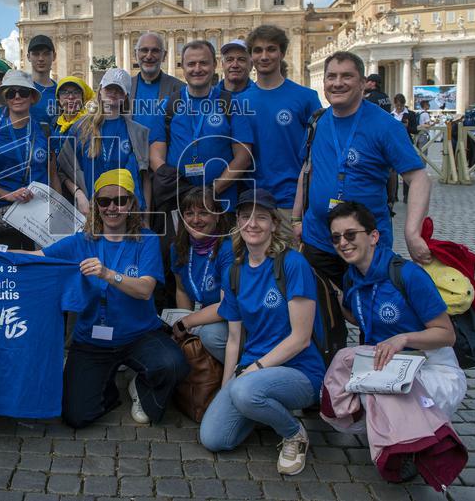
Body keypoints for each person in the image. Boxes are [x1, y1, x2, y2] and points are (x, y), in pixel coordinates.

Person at [36, 169, 189, 427]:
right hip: (92, 340)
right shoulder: (82, 241)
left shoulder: (147, 240)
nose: (112, 207)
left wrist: (108, 274)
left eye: (120, 200)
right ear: (96, 205)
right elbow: (35, 258)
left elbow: (145, 289)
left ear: (131, 204)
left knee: (173, 364)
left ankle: (141, 386)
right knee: (75, 416)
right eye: (104, 201)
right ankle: (105, 386)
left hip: (139, 335)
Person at [292, 51, 431, 323]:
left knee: (375, 316)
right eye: (331, 77)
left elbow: (418, 178)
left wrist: (412, 232)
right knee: (322, 318)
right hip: (319, 239)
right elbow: (307, 171)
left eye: (347, 76)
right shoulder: (318, 121)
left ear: (362, 83)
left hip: (366, 242)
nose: (337, 83)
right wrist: (297, 219)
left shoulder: (385, 125)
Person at [199, 188, 326, 477]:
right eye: (245, 217)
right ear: (237, 223)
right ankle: (261, 406)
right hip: (254, 369)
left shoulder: (292, 264)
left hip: (300, 370)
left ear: (274, 224)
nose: (252, 224)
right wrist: (225, 386)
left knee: (245, 390)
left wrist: (254, 370)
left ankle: (293, 434)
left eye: (261, 217)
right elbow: (234, 339)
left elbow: (301, 339)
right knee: (213, 438)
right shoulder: (235, 271)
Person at [327, 201, 465, 420]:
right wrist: (334, 294)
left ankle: (428, 435)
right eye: (336, 238)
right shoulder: (351, 278)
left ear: (373, 237)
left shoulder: (408, 275)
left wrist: (403, 339)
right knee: (339, 376)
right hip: (386, 364)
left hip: (429, 366)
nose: (343, 243)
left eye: (350, 235)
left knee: (382, 398)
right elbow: (359, 317)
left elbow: (447, 335)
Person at [150, 40, 253, 213]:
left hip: (221, 203)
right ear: (183, 67)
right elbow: (155, 156)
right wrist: (181, 189)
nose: (197, 69)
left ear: (214, 65)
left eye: (203, 63)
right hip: (179, 203)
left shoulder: (232, 104)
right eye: (191, 64)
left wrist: (211, 191)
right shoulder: (167, 106)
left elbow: (243, 157)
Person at [243, 25, 322, 229]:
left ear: (282, 53)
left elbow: (319, 151)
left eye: (271, 49)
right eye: (258, 50)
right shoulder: (239, 102)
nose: (264, 56)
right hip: (252, 201)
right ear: (251, 56)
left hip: (291, 202)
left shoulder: (306, 97)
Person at [0, 70, 61, 249]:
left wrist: (57, 207)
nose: (17, 97)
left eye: (23, 92)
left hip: (41, 215)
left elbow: (53, 175)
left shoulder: (45, 131)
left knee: (40, 263)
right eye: (11, 93)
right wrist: (9, 195)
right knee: (7, 264)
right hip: (5, 216)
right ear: (5, 99)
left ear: (32, 97)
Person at [59, 68, 150, 216]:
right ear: (100, 90)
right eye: (109, 88)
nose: (113, 92)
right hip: (90, 210)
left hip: (126, 212)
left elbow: (144, 178)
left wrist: (146, 215)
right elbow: (63, 169)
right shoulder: (80, 127)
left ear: (125, 96)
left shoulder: (137, 132)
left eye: (119, 90)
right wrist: (78, 194)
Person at [169, 188, 228, 361]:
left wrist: (186, 322)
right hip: (202, 318)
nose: (195, 220)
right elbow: (181, 290)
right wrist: (184, 329)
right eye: (189, 213)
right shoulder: (178, 248)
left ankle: (240, 371)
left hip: (232, 320)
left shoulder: (228, 248)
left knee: (210, 335)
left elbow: (227, 305)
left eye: (203, 212)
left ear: (217, 216)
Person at [130, 32, 183, 131]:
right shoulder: (124, 88)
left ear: (164, 55)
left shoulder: (180, 89)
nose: (149, 56)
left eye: (155, 51)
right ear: (135, 54)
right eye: (144, 50)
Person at [50, 76, 95, 158]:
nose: (71, 97)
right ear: (58, 98)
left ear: (83, 98)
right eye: (64, 92)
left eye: (76, 92)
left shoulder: (90, 124)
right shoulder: (55, 123)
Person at [26, 35, 58, 126]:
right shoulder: (20, 91)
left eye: (46, 54)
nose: (41, 59)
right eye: (36, 54)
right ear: (28, 57)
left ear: (54, 56)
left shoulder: (60, 93)